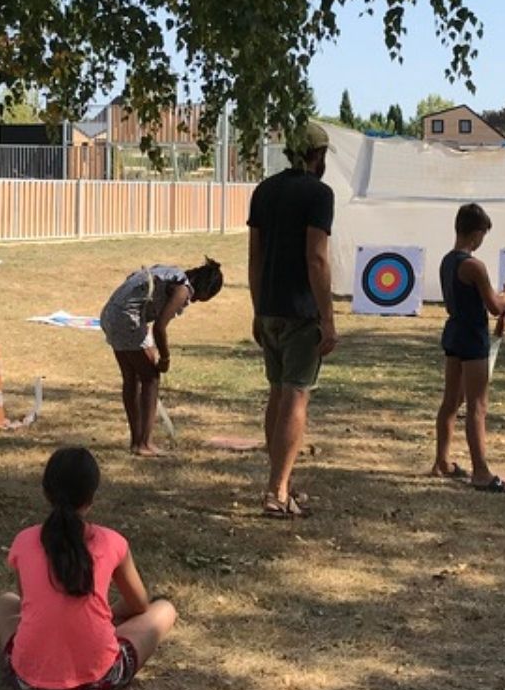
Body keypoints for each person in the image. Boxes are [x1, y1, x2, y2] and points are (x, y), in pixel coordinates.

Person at [0, 447, 178, 690]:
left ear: (46, 493)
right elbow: (139, 604)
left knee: (5, 602)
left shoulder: (24, 541)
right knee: (163, 609)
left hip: (27, 680)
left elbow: (27, 606)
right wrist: (107, 614)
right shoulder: (112, 542)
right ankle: (93, 630)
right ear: (91, 497)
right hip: (99, 679)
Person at [247, 121, 337, 519]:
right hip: (301, 311)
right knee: (296, 394)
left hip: (268, 308)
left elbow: (255, 256)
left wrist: (256, 307)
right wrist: (328, 317)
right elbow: (316, 257)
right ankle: (277, 491)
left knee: (278, 394)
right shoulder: (319, 194)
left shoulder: (264, 190)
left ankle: (277, 481)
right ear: (318, 155)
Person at [429, 203, 505, 491]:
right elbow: (494, 306)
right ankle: (480, 472)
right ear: (476, 233)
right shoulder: (473, 265)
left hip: (455, 332)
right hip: (471, 337)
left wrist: (499, 300)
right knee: (477, 406)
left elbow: (478, 299)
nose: (482, 241)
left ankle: (441, 462)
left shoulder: (448, 260)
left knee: (451, 402)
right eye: (482, 235)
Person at [100, 259, 226, 456]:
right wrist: (165, 358)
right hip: (127, 318)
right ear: (204, 289)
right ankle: (144, 443)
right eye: (201, 298)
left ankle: (136, 441)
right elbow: (160, 327)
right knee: (151, 377)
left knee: (131, 377)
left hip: (110, 313)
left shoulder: (167, 272)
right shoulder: (182, 288)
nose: (193, 302)